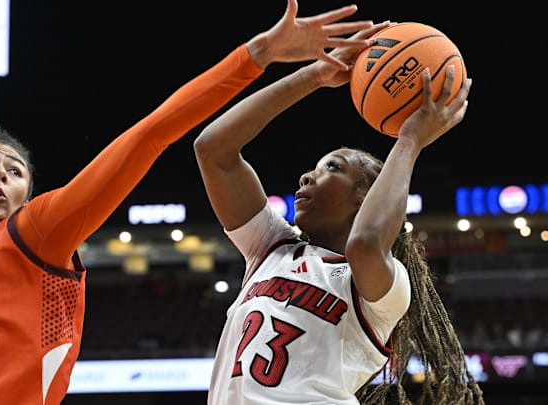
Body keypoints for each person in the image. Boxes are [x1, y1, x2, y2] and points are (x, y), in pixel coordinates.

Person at [0, 2, 376, 404]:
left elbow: (149, 135)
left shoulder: (36, 233)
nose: (1, 174)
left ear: (29, 195)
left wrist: (254, 56)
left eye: (15, 171)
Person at [193, 19, 484, 405]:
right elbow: (213, 151)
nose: (307, 176)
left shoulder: (387, 285)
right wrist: (313, 76)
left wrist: (411, 140)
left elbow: (364, 242)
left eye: (332, 167)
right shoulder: (270, 249)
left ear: (365, 195)